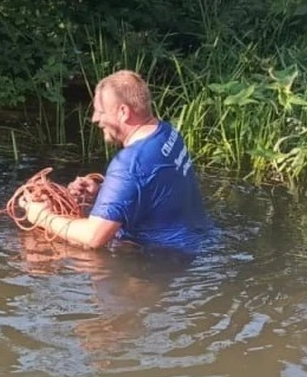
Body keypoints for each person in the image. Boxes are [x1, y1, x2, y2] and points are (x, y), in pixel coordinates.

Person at [21, 70, 210, 251]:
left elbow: (93, 237)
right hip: (196, 240)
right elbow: (151, 185)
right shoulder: (167, 132)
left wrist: (42, 216)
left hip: (159, 258)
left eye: (101, 112)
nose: (95, 119)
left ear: (123, 112)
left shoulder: (128, 165)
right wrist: (102, 191)